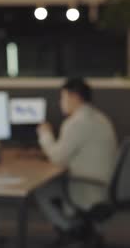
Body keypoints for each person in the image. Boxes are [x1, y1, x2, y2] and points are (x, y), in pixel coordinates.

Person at [35, 78, 118, 243]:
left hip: (89, 189)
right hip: (106, 187)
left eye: (62, 98)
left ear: (74, 97)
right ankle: (86, 229)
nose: (60, 103)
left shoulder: (77, 123)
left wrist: (45, 134)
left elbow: (57, 158)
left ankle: (70, 230)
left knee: (41, 191)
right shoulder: (100, 118)